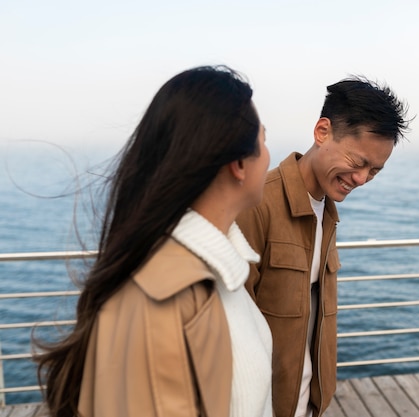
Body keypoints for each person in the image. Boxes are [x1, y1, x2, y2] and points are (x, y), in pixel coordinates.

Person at [34, 66, 273, 417]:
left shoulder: (217, 272)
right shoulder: (163, 297)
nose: (269, 155)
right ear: (238, 163)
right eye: (264, 140)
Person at [236, 76, 410, 417]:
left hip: (307, 404)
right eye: (358, 162)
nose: (362, 179)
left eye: (375, 170)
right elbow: (227, 334)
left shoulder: (327, 212)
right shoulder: (256, 205)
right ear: (322, 132)